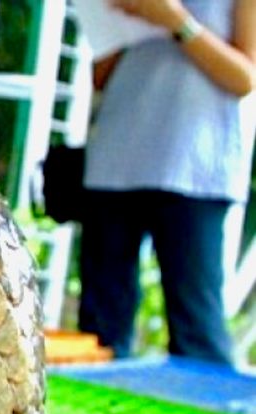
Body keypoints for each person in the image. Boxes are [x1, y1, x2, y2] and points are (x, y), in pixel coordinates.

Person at [79, 0, 256, 363]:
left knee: (196, 325)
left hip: (194, 167)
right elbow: (99, 77)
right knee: (100, 326)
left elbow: (244, 78)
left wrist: (176, 21)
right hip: (117, 158)